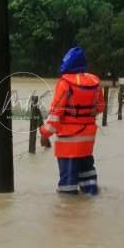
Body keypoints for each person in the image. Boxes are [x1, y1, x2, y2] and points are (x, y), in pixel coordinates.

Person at [39, 46, 105, 195]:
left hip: (68, 142)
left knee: (67, 188)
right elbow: (100, 107)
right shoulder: (94, 82)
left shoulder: (65, 84)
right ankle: (90, 202)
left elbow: (56, 116)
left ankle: (69, 215)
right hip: (87, 141)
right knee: (88, 176)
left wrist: (44, 134)